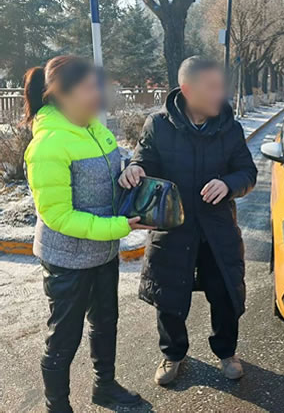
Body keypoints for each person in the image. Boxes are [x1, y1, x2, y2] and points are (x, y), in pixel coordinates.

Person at [24, 56, 153, 412]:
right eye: (89, 88)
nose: (98, 94)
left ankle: (105, 388)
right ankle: (57, 406)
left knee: (105, 324)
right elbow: (57, 216)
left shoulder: (95, 129)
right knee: (64, 338)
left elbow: (114, 168)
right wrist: (118, 227)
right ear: (61, 94)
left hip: (103, 253)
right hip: (66, 260)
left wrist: (128, 171)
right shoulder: (49, 144)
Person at [119, 57, 257, 385]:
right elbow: (143, 161)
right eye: (212, 88)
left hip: (217, 229)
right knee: (169, 297)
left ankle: (227, 352)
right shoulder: (159, 125)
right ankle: (173, 354)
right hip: (172, 228)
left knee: (225, 294)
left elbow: (247, 172)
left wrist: (229, 184)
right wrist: (135, 169)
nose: (220, 94)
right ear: (188, 90)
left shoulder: (230, 128)